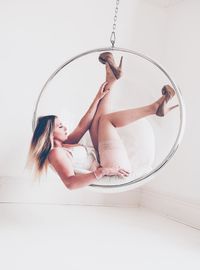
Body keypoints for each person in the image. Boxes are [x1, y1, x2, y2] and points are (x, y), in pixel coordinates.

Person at [28, 52, 178, 190]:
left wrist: (97, 98)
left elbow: (83, 125)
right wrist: (100, 172)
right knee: (106, 121)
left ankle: (111, 80)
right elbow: (70, 183)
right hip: (112, 168)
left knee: (98, 122)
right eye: (60, 126)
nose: (65, 127)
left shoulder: (66, 144)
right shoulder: (56, 154)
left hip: (105, 159)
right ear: (49, 133)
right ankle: (154, 108)